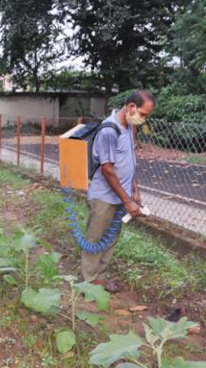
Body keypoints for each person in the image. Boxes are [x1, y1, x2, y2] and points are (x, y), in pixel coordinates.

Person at [81, 90, 155, 292]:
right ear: (131, 106)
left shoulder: (129, 128)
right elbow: (107, 169)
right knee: (95, 238)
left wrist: (135, 190)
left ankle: (100, 279)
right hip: (104, 196)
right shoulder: (108, 130)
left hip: (121, 195)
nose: (143, 119)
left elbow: (130, 161)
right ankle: (89, 283)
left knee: (111, 238)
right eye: (143, 114)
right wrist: (127, 201)